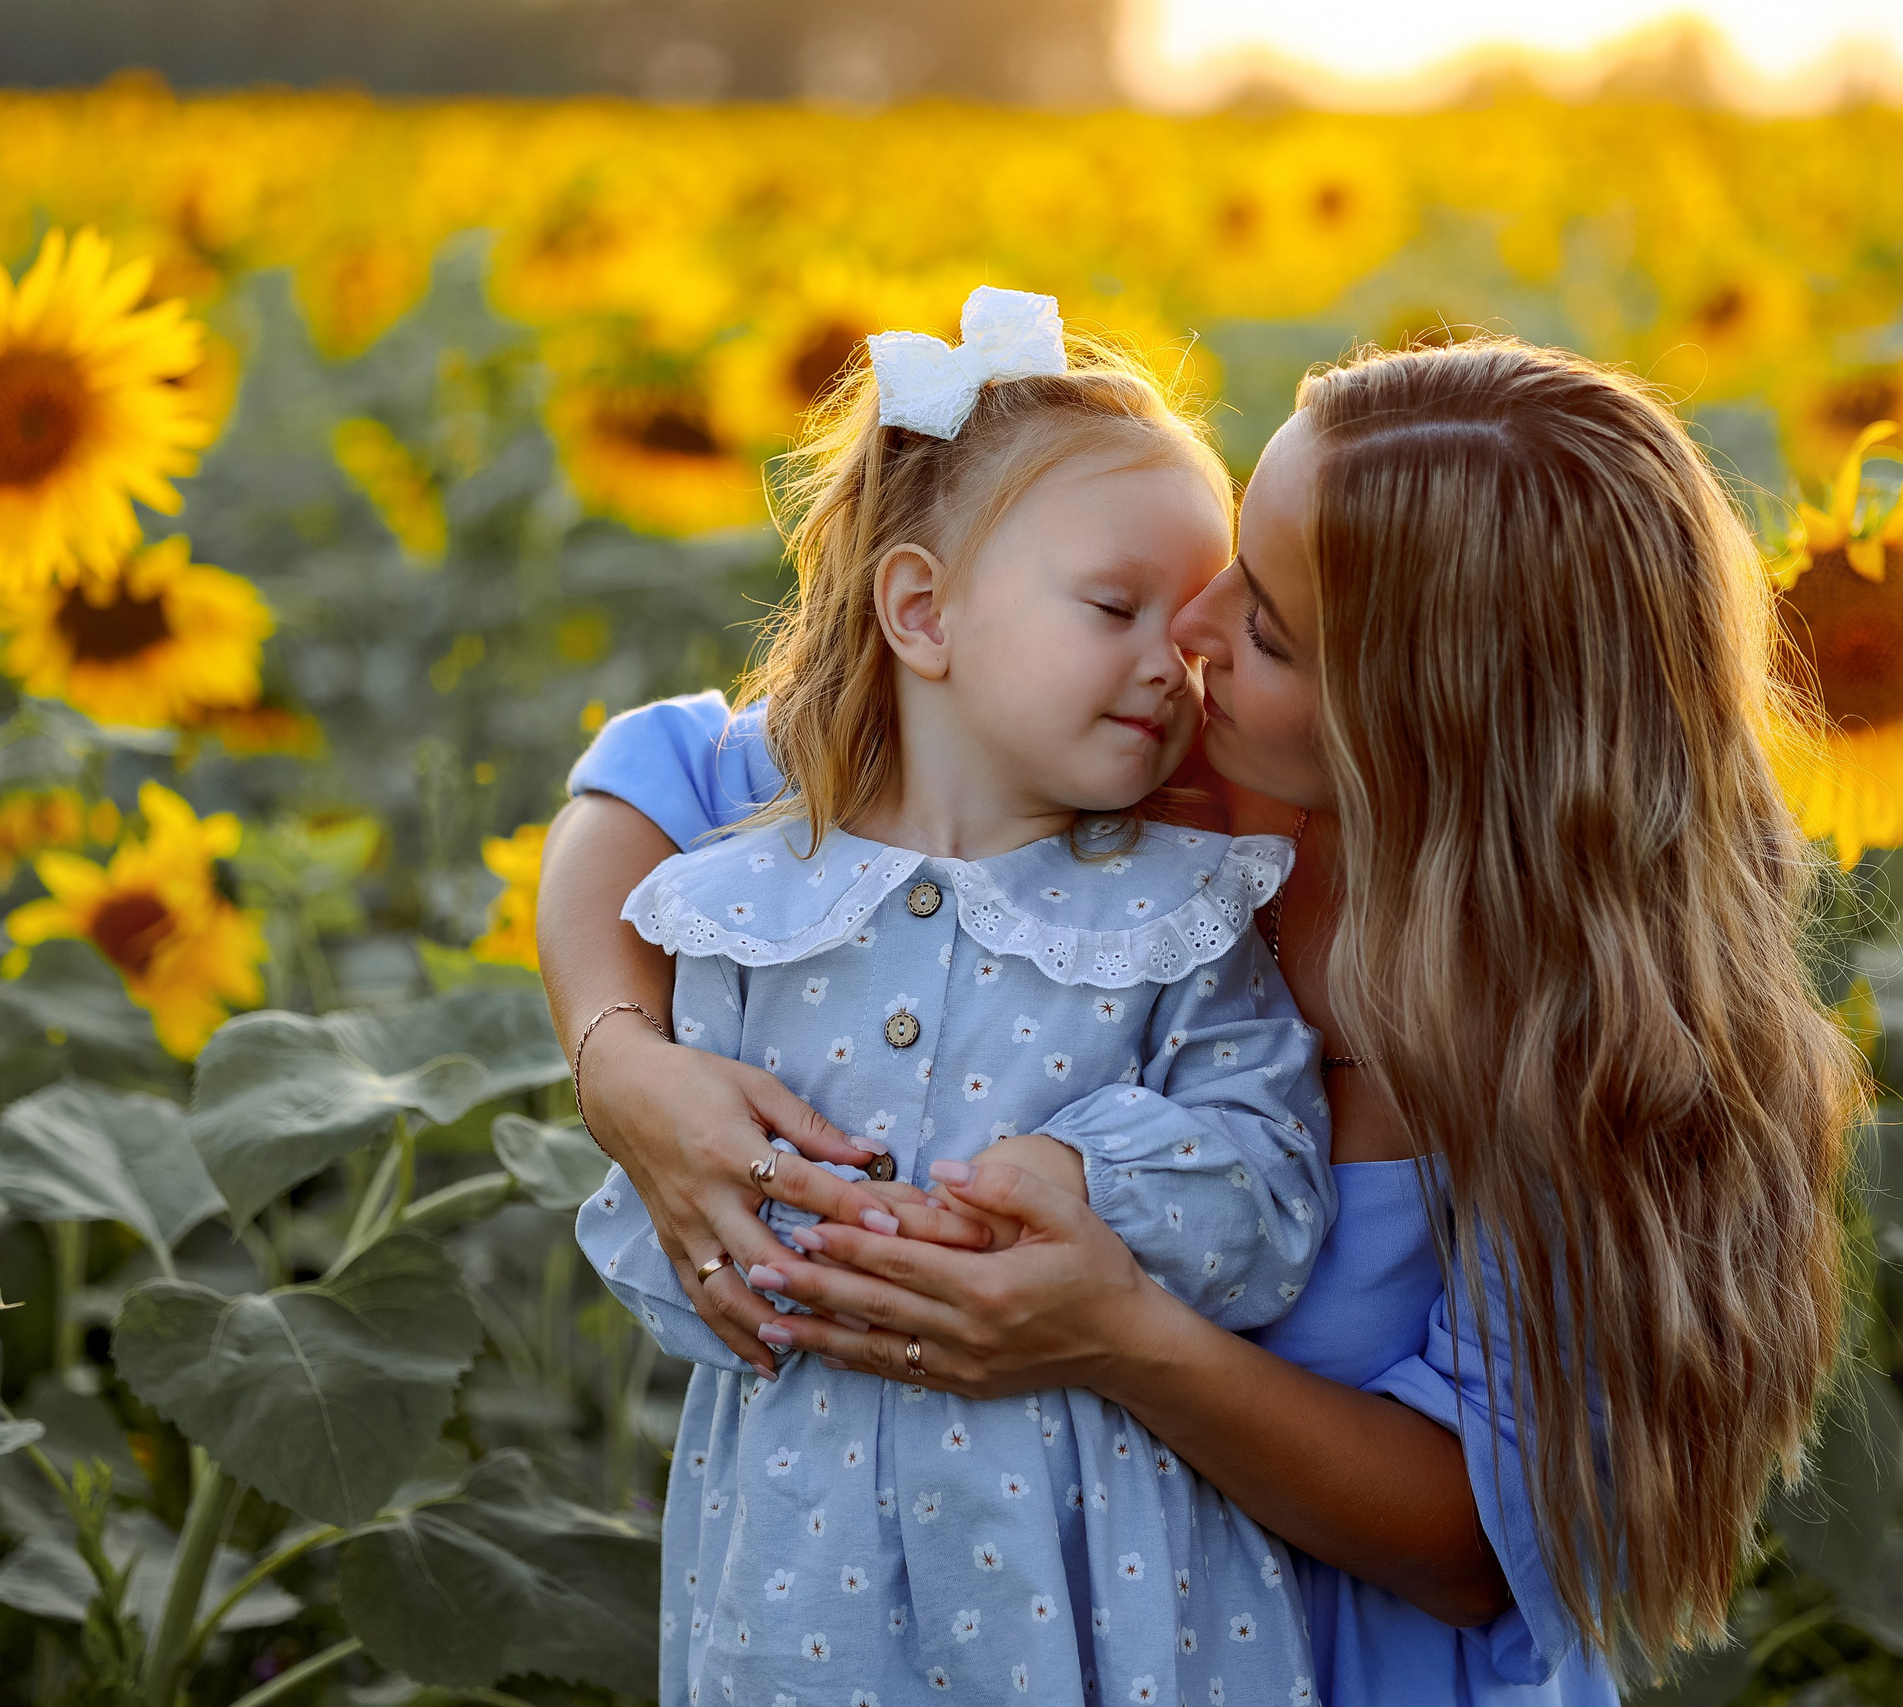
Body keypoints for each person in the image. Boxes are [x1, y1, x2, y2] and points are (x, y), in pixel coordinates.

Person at [545, 337, 1864, 1707]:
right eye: (1232, 550)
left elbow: (1480, 1546)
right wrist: (622, 1064)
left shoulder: (1581, 1035)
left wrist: (1119, 1337)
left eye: (1268, 627)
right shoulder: (1137, 777)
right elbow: (649, 779)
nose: (1194, 631)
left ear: (1426, 722)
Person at [573, 285, 1338, 1707]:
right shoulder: (746, 903)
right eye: (1114, 608)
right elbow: (666, 1231)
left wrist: (1084, 1176)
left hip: (1102, 1556)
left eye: (1191, 628)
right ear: (922, 610)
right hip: (799, 1558)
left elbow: (1271, 1188)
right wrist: (760, 1236)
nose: (1172, 666)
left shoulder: (1181, 904)